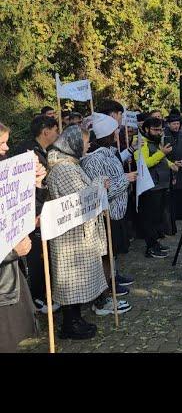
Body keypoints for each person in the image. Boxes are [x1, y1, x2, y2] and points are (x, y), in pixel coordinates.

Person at [46, 125, 111, 339]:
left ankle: (74, 320)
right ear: (73, 143)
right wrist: (99, 184)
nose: (89, 144)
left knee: (77, 283)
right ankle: (69, 324)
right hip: (70, 237)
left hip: (76, 234)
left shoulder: (70, 163)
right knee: (71, 281)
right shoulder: (64, 168)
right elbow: (79, 199)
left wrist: (98, 185)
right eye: (85, 142)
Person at [81, 113, 135, 315]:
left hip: (117, 214)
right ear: (107, 134)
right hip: (106, 214)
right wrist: (126, 179)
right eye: (115, 130)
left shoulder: (109, 153)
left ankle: (109, 286)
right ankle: (102, 297)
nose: (118, 132)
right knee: (105, 256)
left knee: (112, 255)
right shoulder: (93, 160)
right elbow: (102, 192)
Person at [0, 122, 41, 352]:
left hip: (10, 281)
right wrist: (13, 250)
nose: (6, 149)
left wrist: (33, 185)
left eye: (7, 142)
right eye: (1, 143)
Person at [12, 115, 59, 314]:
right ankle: (37, 297)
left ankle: (43, 293)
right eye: (56, 129)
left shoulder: (44, 151)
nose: (58, 133)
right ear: (45, 131)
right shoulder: (26, 152)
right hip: (32, 216)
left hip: (41, 211)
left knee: (42, 255)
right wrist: (34, 212)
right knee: (35, 258)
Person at [135, 117, 179, 258]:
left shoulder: (154, 142)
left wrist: (171, 164)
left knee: (157, 218)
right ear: (146, 129)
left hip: (160, 185)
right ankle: (150, 248)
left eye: (160, 129)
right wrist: (162, 153)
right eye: (155, 130)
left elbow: (161, 158)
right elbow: (144, 163)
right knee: (150, 218)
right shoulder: (141, 142)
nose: (159, 132)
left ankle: (155, 243)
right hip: (150, 187)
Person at [164, 113, 182, 220]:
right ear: (169, 124)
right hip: (170, 167)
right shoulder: (165, 136)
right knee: (172, 191)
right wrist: (172, 162)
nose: (176, 126)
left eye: (178, 124)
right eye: (174, 124)